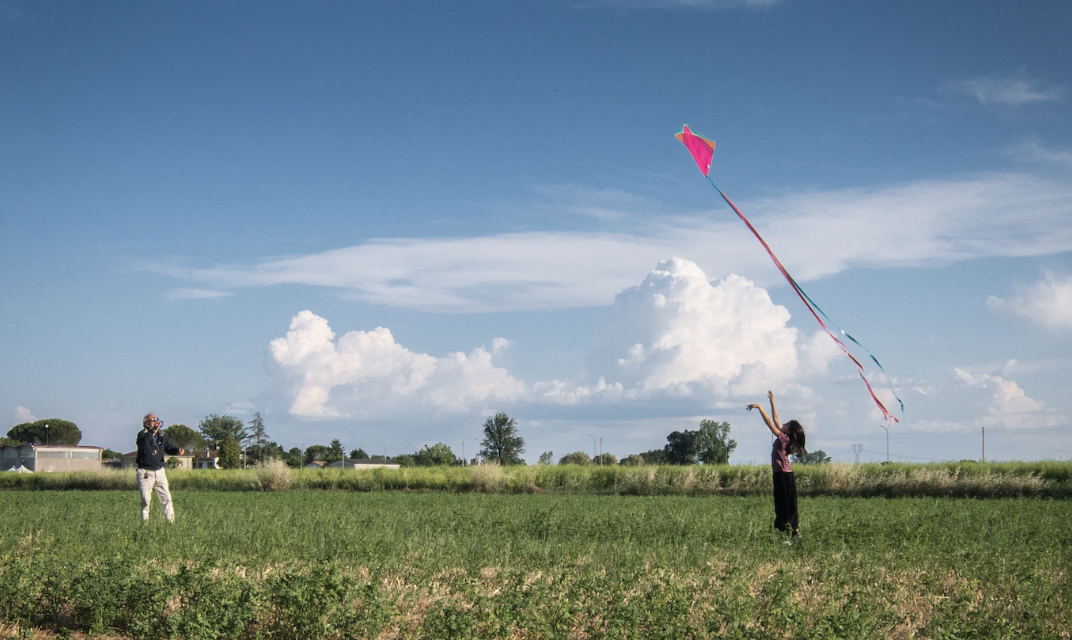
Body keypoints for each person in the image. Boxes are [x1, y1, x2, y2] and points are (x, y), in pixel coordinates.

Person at [746, 391, 806, 542]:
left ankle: (787, 534)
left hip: (782, 475)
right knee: (789, 503)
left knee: (783, 504)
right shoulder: (785, 436)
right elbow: (776, 419)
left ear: (789, 430)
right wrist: (772, 401)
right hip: (785, 475)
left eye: (786, 424)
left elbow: (770, 423)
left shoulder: (783, 438)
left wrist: (760, 407)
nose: (782, 424)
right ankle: (793, 532)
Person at [135, 413, 184, 522]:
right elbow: (144, 443)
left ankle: (170, 522)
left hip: (159, 471)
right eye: (153, 420)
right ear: (146, 422)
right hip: (145, 472)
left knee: (166, 498)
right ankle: (144, 523)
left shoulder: (162, 435)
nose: (155, 422)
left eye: (156, 420)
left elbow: (168, 447)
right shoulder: (142, 435)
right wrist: (153, 431)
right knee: (146, 500)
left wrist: (176, 450)